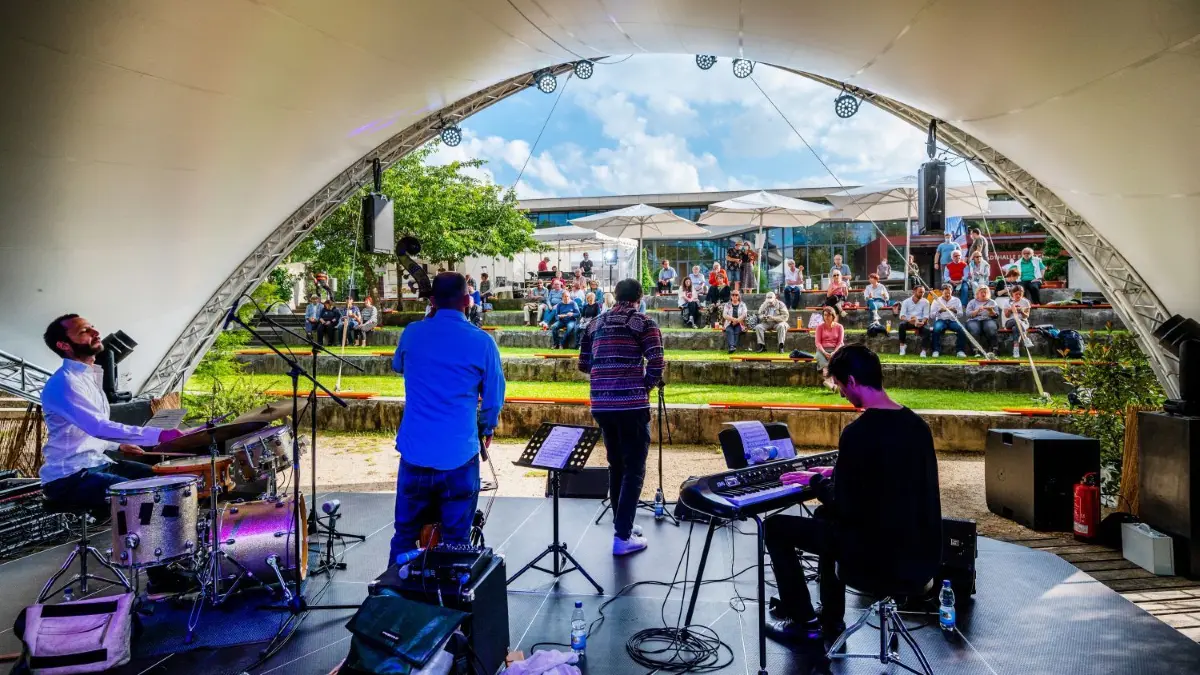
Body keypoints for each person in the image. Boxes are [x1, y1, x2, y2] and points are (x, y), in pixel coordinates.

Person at [765, 345, 941, 647]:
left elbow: (844, 504)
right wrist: (837, 470)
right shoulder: (917, 427)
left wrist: (817, 480)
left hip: (872, 555)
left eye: (841, 385)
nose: (842, 393)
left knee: (776, 527)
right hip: (919, 555)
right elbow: (887, 476)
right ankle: (831, 617)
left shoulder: (858, 433)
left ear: (854, 381)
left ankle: (803, 621)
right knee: (823, 519)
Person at [390, 273, 504, 562]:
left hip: (415, 451)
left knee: (404, 534)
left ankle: (389, 599)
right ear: (468, 301)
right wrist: (485, 428)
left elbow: (397, 365)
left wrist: (428, 320)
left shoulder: (413, 332)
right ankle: (451, 603)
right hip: (459, 453)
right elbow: (492, 399)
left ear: (431, 301)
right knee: (456, 541)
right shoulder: (482, 342)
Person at [37, 315, 185, 512]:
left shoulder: (88, 376)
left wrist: (119, 444)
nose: (96, 333)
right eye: (84, 331)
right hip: (69, 476)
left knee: (167, 483)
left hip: (98, 463)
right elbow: (98, 427)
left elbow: (83, 432)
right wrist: (158, 434)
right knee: (148, 498)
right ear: (63, 345)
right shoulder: (65, 383)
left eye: (92, 327)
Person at [578, 279, 664, 555]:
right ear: (639, 296)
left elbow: (583, 364)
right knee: (635, 468)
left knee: (616, 466)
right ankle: (622, 537)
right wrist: (645, 386)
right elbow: (657, 360)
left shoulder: (595, 324)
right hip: (631, 405)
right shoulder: (642, 322)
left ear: (615, 296)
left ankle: (622, 523)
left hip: (601, 405)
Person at [930, 284, 967, 358]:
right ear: (941, 292)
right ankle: (936, 350)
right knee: (936, 329)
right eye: (945, 293)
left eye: (949, 293)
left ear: (952, 292)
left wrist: (954, 310)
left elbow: (961, 314)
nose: (947, 295)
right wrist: (940, 311)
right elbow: (932, 315)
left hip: (952, 320)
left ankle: (960, 351)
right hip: (941, 320)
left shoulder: (956, 300)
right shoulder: (936, 300)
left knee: (962, 329)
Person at [813, 306, 844, 387]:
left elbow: (840, 342)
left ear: (833, 316)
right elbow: (817, 342)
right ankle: (831, 384)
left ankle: (830, 384)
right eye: (825, 315)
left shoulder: (839, 327)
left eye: (829, 315)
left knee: (836, 362)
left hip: (836, 349)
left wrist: (834, 352)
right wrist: (824, 352)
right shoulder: (820, 327)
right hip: (822, 349)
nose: (826, 317)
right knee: (824, 364)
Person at [897, 286, 931, 357]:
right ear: (914, 292)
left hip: (921, 321)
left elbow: (926, 316)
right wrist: (909, 320)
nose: (922, 294)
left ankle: (923, 351)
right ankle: (902, 347)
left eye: (923, 292)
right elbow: (902, 316)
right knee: (901, 325)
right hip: (909, 320)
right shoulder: (906, 302)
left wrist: (922, 322)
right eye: (920, 292)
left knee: (927, 329)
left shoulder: (926, 302)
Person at [965, 286, 1000, 356]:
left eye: (985, 292)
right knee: (974, 329)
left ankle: (994, 348)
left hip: (988, 319)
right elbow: (968, 314)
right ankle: (976, 350)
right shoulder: (972, 302)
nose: (983, 294)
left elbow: (996, 316)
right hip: (974, 319)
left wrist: (991, 311)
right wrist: (977, 311)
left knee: (991, 328)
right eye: (982, 292)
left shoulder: (992, 302)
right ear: (977, 293)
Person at [1003, 285, 1034, 358]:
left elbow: (1026, 316)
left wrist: (1022, 311)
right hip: (1010, 321)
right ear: (1012, 294)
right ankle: (1025, 338)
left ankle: (1016, 350)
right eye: (1016, 294)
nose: (1018, 295)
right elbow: (1006, 316)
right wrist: (1011, 310)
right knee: (1016, 320)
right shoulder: (1008, 302)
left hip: (1023, 322)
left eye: (1020, 294)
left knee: (1015, 329)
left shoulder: (1025, 302)